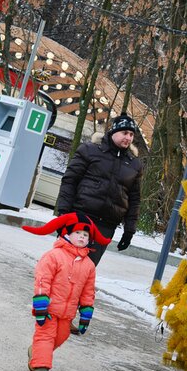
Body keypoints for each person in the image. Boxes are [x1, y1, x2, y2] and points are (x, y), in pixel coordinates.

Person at [22, 212, 110, 371]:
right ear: (66, 234)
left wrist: (85, 313)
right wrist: (41, 304)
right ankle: (41, 369)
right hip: (48, 308)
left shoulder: (89, 266)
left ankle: (36, 352)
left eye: (85, 235)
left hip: (67, 313)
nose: (82, 237)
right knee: (46, 336)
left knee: (61, 336)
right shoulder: (53, 256)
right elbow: (42, 280)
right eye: (77, 233)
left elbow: (87, 291)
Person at [57, 113, 143, 267]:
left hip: (106, 226)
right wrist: (63, 213)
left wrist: (129, 230)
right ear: (114, 132)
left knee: (85, 270)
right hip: (80, 218)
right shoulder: (89, 150)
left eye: (131, 134)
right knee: (65, 264)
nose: (128, 138)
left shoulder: (134, 165)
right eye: (125, 133)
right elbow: (70, 181)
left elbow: (134, 199)